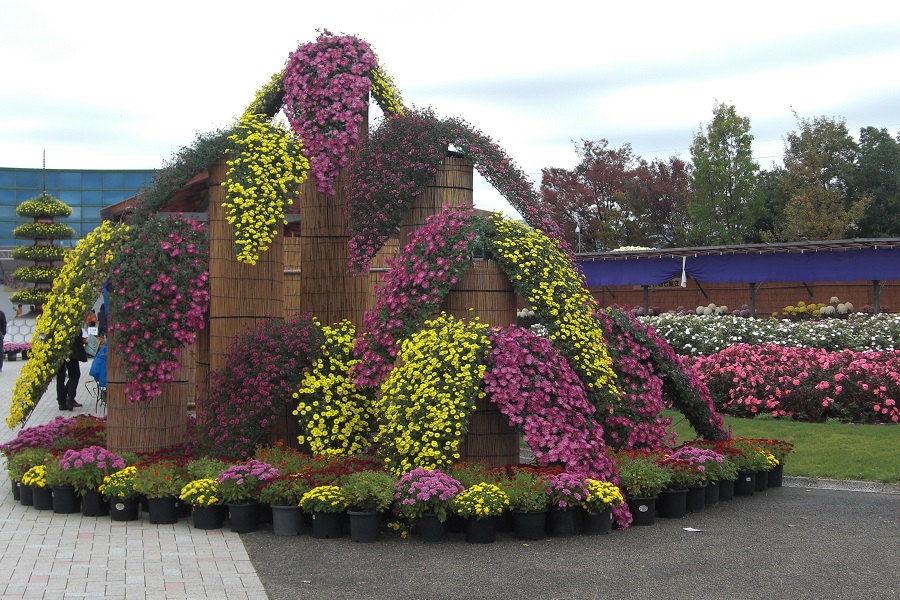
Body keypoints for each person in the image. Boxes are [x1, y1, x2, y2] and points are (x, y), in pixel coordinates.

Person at [57, 330, 87, 411]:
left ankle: (61, 403)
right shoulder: (73, 320)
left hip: (58, 352)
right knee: (75, 375)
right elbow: (78, 337)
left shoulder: (55, 319)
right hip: (71, 352)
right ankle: (70, 397)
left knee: (60, 378)